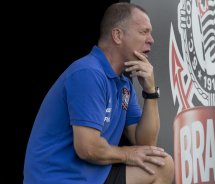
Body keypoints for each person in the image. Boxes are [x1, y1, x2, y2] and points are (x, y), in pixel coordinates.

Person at [23, 2, 175, 184]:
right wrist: (127, 154)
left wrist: (150, 92)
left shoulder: (123, 82)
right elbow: (87, 148)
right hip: (59, 177)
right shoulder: (88, 72)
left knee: (161, 164)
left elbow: (146, 145)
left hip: (93, 175)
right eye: (143, 32)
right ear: (117, 35)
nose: (151, 39)